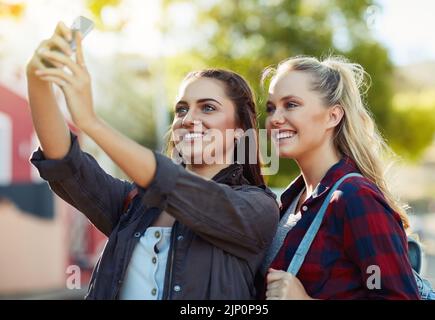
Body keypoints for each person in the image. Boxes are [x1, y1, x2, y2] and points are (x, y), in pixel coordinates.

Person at [26, 21, 279, 299]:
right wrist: (38, 80)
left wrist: (90, 121)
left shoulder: (257, 208)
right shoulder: (133, 203)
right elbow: (64, 164)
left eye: (208, 108)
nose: (189, 119)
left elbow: (173, 185)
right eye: (181, 109)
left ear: (239, 130)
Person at [259, 55, 420, 299]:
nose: (275, 118)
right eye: (271, 108)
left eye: (291, 104)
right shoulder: (290, 201)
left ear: (333, 116)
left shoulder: (355, 198)